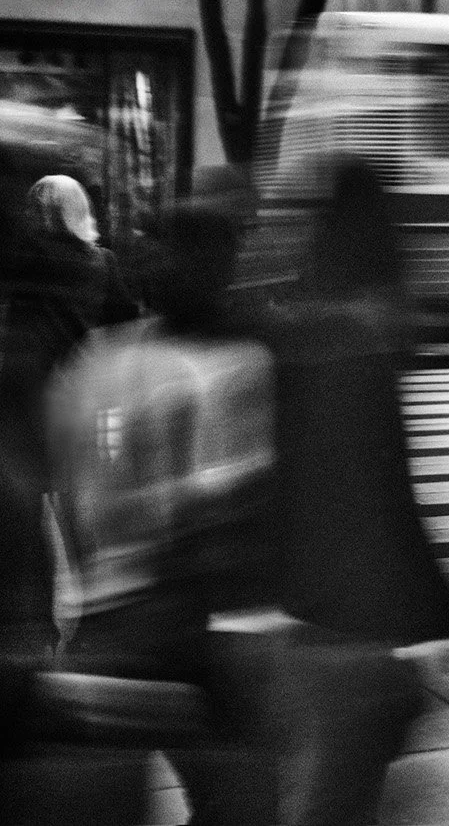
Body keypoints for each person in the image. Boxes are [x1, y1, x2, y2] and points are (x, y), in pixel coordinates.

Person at [45, 199, 275, 823]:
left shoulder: (105, 356)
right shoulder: (234, 363)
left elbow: (76, 484)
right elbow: (220, 508)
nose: (148, 257)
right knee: (234, 801)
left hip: (129, 622)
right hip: (166, 625)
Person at [268, 155, 449, 824]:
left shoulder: (296, 330)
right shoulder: (358, 352)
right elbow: (388, 496)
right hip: (349, 621)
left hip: (294, 607)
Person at [0, 175, 135, 648]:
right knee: (81, 508)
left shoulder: (23, 260)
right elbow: (125, 323)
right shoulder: (102, 263)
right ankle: (98, 616)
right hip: (86, 400)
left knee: (27, 509)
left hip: (26, 399)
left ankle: (36, 623)